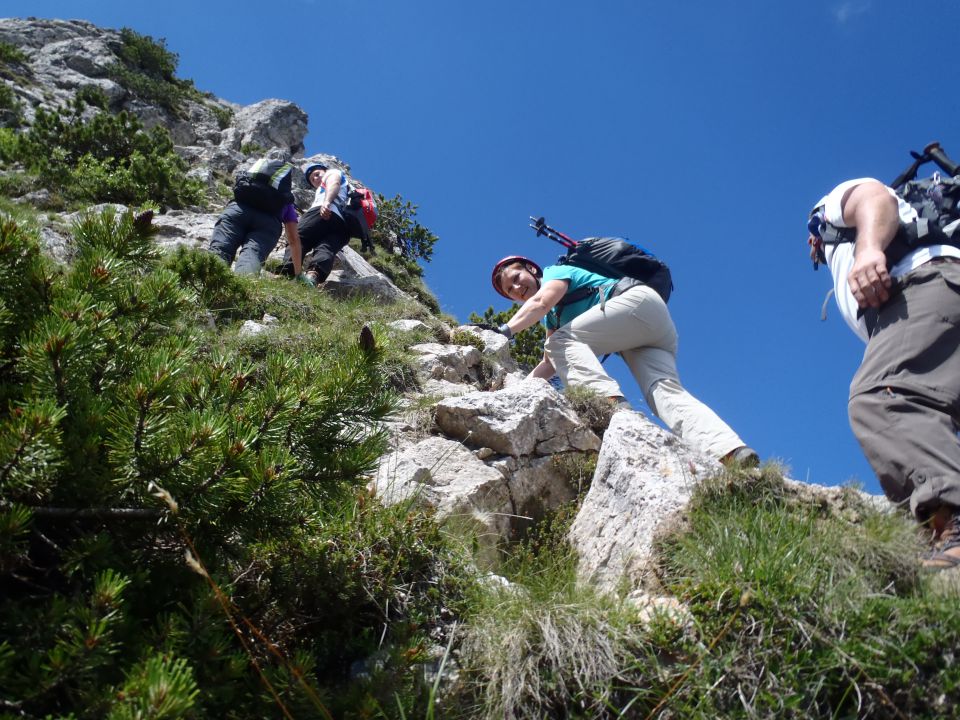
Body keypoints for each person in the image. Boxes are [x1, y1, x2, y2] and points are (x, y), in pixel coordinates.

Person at [808, 177, 960, 569]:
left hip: (927, 283)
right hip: (945, 295)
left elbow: (874, 195)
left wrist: (869, 249)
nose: (812, 247)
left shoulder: (832, 207)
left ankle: (953, 522)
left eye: (812, 236)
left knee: (886, 395)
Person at [489, 255, 758, 465]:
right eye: (509, 290)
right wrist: (518, 391)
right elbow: (550, 363)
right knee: (663, 392)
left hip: (634, 302)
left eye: (516, 277)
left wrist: (504, 331)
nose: (516, 287)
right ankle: (729, 450)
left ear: (531, 269)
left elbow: (540, 303)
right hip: (648, 330)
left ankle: (609, 406)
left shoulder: (555, 273)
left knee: (559, 341)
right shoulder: (554, 321)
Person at [209, 158, 302, 277]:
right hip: (268, 224)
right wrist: (298, 272)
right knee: (252, 255)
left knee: (220, 249)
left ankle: (206, 283)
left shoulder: (249, 183)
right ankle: (240, 290)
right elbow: (293, 239)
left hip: (237, 211)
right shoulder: (285, 201)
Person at [279, 161, 350, 285]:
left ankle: (287, 272)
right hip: (343, 226)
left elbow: (334, 183)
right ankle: (313, 277)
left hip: (322, 211)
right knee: (326, 248)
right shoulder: (347, 189)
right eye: (312, 179)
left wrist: (327, 202)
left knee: (298, 238)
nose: (316, 179)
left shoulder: (332, 172)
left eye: (317, 174)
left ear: (325, 170)